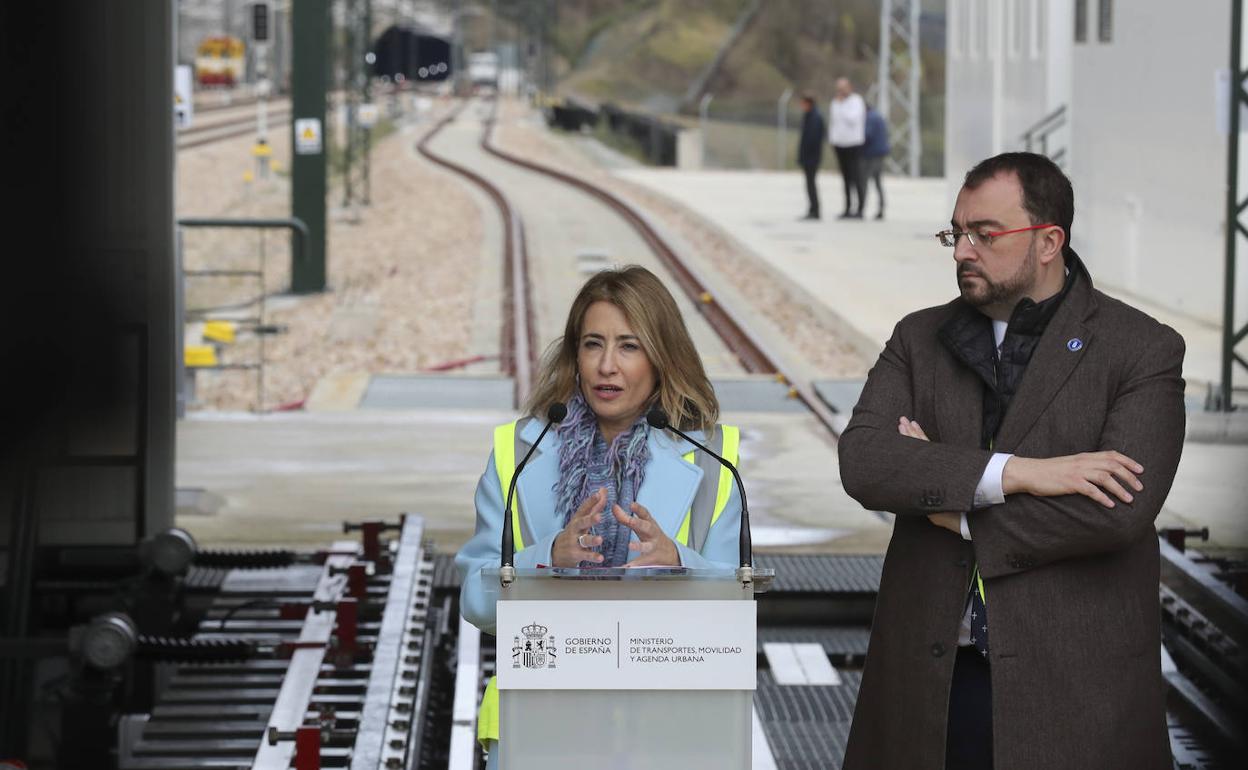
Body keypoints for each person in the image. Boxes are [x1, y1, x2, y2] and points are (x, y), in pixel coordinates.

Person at [838, 152, 1185, 770]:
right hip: (930, 686)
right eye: (956, 232)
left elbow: (1116, 513)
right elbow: (865, 461)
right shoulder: (918, 339)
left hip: (1074, 698)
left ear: (1049, 241)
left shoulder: (1141, 350)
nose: (961, 251)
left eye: (985, 234)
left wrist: (953, 510)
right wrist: (1016, 474)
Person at [456, 265, 745, 770]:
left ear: (661, 357)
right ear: (575, 355)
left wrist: (679, 562)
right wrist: (545, 558)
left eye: (629, 346)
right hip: (541, 734)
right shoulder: (519, 450)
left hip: (671, 740)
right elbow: (476, 598)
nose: (607, 365)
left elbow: (738, 601)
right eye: (593, 344)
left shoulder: (712, 458)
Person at [828, 76, 867, 219]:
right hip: (840, 144)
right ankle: (847, 207)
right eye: (839, 88)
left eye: (843, 88)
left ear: (849, 88)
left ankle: (860, 208)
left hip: (853, 143)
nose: (840, 91)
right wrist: (832, 139)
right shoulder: (835, 102)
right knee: (845, 178)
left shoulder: (856, 101)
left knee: (856, 177)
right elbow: (834, 123)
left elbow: (852, 119)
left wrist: (841, 106)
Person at [797, 93, 825, 220]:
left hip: (811, 157)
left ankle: (815, 210)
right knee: (809, 184)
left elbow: (812, 139)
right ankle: (812, 208)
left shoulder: (815, 117)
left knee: (811, 184)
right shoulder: (809, 116)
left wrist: (808, 156)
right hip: (808, 157)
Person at [861, 104, 889, 220]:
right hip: (880, 153)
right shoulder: (878, 116)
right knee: (877, 182)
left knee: (865, 181)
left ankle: (861, 208)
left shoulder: (870, 118)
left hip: (872, 154)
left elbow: (867, 135)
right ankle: (881, 208)